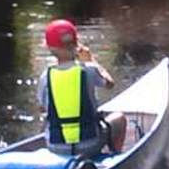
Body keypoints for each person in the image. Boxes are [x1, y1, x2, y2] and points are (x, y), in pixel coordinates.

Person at [37, 19, 126, 156]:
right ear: (76, 44)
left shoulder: (45, 77)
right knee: (119, 119)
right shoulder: (89, 70)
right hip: (90, 144)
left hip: (56, 147)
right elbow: (109, 84)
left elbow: (43, 108)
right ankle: (115, 156)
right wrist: (91, 60)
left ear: (50, 48)